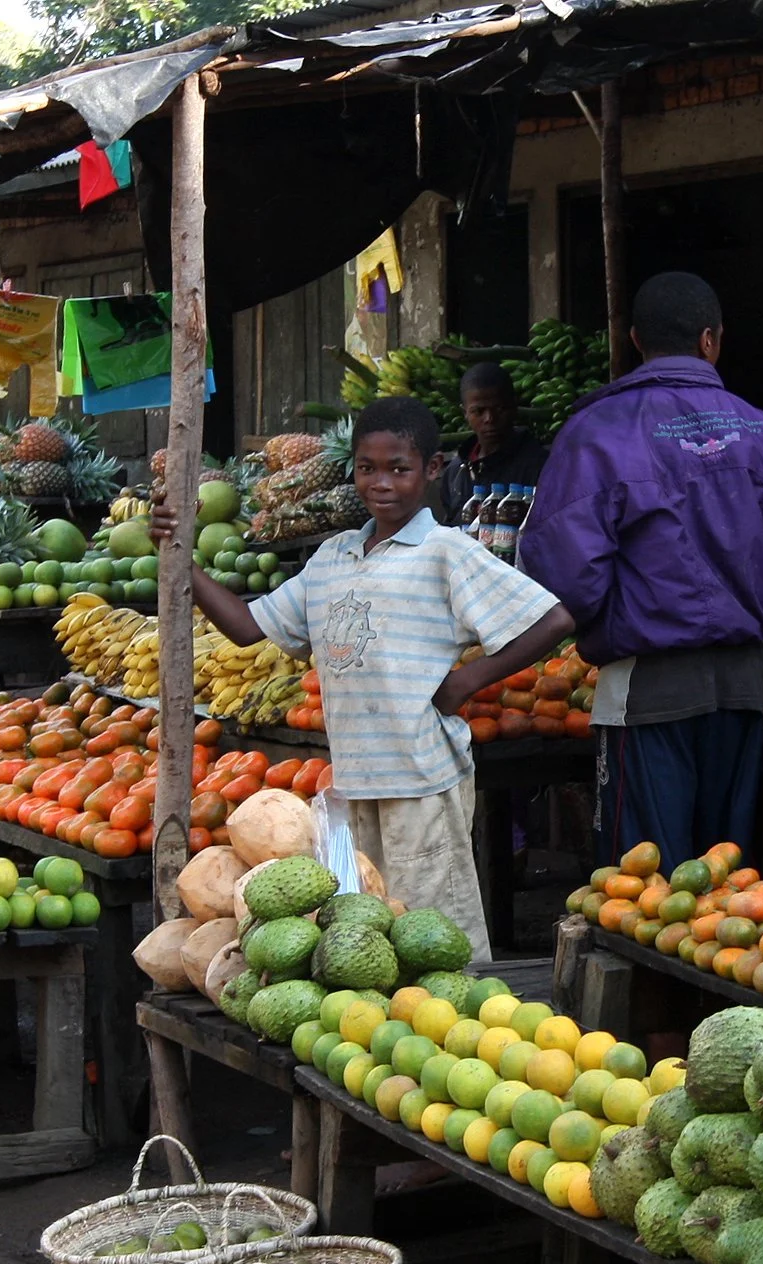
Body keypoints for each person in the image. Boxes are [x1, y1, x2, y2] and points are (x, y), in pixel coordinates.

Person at [147, 397, 574, 962]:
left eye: (400, 468)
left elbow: (555, 619)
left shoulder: (445, 552)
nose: (382, 483)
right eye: (368, 468)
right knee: (369, 934)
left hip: (421, 779)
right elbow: (249, 627)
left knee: (435, 935)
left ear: (432, 470)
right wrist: (178, 555)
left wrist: (468, 681)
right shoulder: (332, 558)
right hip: (354, 782)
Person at [518, 271, 763, 868]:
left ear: (635, 339)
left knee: (643, 879)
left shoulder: (596, 432)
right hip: (743, 688)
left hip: (647, 688)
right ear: (711, 340)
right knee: (723, 875)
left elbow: (568, 574)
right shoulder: (761, 432)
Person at [436, 362, 548, 528]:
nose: (489, 419)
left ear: (514, 406)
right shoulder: (456, 472)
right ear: (465, 413)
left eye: (499, 408)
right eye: (478, 411)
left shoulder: (538, 465)